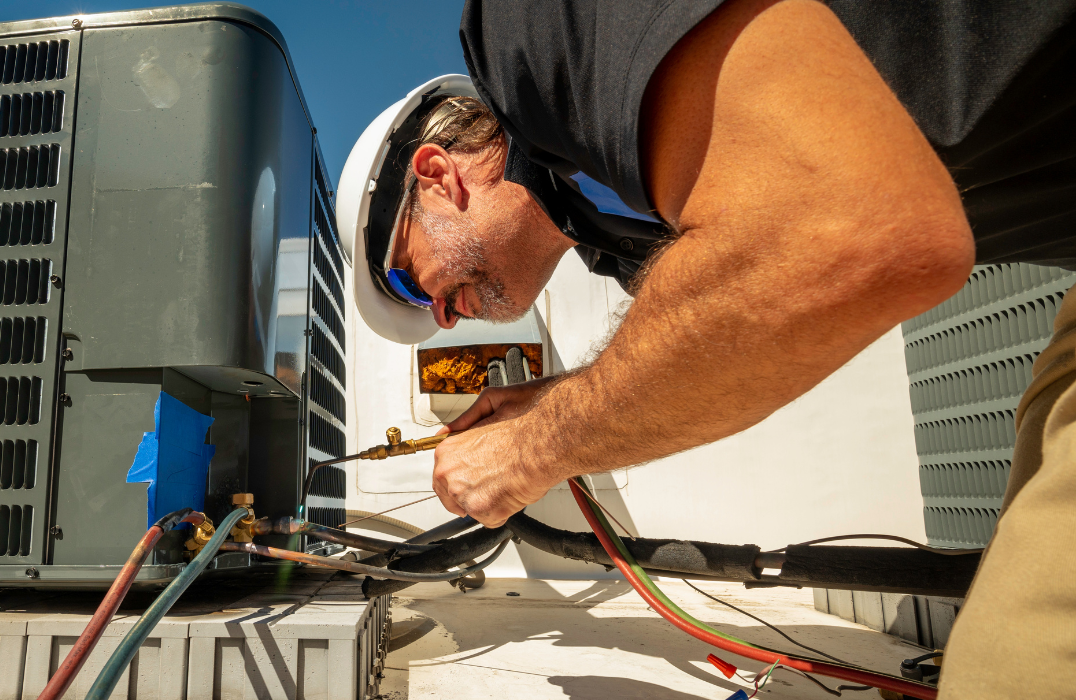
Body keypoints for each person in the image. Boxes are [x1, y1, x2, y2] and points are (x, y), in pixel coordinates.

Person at [332, 0, 1076, 697]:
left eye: (406, 278)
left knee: (1010, 671)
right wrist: (554, 408)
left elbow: (852, 236)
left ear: (436, 177)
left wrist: (533, 448)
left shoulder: (537, 30)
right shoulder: (629, 241)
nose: (443, 318)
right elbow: (777, 308)